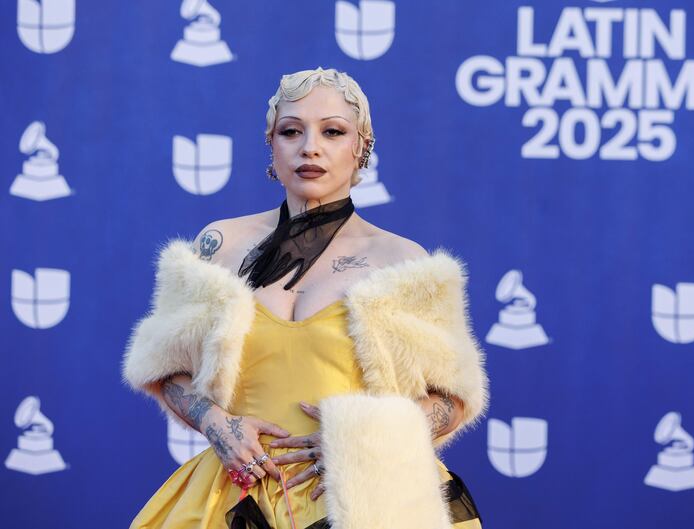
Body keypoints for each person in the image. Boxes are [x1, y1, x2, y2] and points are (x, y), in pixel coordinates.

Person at [122, 67, 488, 529]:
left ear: (362, 146)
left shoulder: (404, 262)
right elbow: (164, 368)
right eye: (291, 131)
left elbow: (452, 399)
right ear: (271, 146)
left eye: (332, 131)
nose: (309, 147)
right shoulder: (218, 244)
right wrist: (217, 424)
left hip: (367, 501)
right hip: (233, 496)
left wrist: (361, 439)